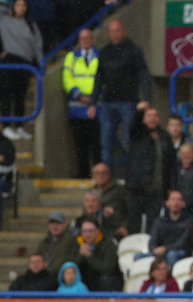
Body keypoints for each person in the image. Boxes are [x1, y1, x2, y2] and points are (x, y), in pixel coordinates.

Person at [88, 20, 151, 171]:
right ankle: (107, 177)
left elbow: (143, 74)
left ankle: (134, 174)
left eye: (117, 31)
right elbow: (99, 78)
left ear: (124, 31)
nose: (114, 34)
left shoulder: (134, 50)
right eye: (111, 31)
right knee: (106, 142)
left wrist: (147, 98)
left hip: (129, 102)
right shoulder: (105, 52)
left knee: (131, 140)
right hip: (108, 103)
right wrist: (93, 102)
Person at [0, 0, 42, 139]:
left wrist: (40, 62)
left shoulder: (30, 24)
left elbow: (37, 45)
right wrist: (9, 9)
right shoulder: (4, 20)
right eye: (18, 5)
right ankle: (6, 126)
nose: (21, 8)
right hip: (10, 61)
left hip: (25, 63)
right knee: (7, 95)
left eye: (23, 6)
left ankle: (19, 127)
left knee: (20, 96)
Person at [126, 105, 174, 235]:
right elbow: (133, 124)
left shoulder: (165, 136)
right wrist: (139, 111)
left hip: (157, 190)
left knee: (153, 225)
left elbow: (171, 163)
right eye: (149, 115)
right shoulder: (137, 133)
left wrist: (169, 186)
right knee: (134, 223)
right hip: (137, 188)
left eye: (155, 115)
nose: (152, 118)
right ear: (143, 118)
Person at [63, 29, 100, 179]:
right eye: (82, 39)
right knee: (80, 144)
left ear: (93, 39)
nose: (85, 41)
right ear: (79, 41)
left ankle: (98, 175)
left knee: (97, 144)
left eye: (88, 38)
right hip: (77, 108)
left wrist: (94, 97)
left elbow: (105, 79)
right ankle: (83, 174)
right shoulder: (71, 57)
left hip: (96, 106)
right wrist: (78, 95)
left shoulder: (100, 56)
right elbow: (67, 78)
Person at [147, 190, 192, 269]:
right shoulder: (159, 221)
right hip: (160, 252)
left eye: (179, 200)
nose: (175, 203)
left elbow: (182, 243)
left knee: (171, 255)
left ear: (183, 204)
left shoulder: (188, 222)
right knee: (138, 256)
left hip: (178, 252)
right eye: (173, 199)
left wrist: (166, 248)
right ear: (167, 203)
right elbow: (153, 239)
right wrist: (154, 249)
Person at [75, 219, 122, 292]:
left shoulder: (109, 244)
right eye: (85, 231)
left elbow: (107, 269)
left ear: (97, 231)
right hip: (88, 282)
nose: (87, 234)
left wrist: (89, 255)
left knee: (105, 279)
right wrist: (81, 255)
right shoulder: (77, 243)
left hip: (106, 282)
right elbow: (73, 267)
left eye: (90, 231)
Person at [90, 162, 127, 238]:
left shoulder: (119, 190)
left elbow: (130, 209)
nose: (101, 176)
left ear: (109, 174)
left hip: (116, 229)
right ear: (93, 176)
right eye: (98, 173)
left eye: (104, 173)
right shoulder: (91, 192)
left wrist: (124, 226)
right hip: (96, 229)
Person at [36, 210, 78, 276]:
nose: (54, 226)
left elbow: (63, 261)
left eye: (58, 222)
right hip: (44, 274)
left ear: (65, 224)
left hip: (60, 275)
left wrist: (47, 269)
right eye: (52, 222)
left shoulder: (70, 240)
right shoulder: (45, 241)